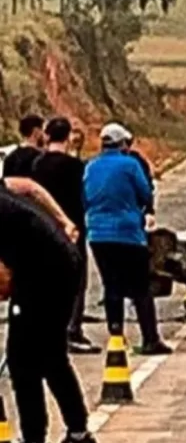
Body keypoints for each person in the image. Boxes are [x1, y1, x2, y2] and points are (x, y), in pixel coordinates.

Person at [0, 175, 97, 443]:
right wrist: (64, 220)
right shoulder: (4, 191)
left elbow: (3, 280)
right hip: (64, 263)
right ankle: (78, 432)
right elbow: (31, 186)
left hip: (43, 275)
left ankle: (34, 436)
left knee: (21, 360)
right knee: (51, 355)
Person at [83, 123, 172, 355]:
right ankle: (150, 338)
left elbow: (85, 197)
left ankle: (116, 336)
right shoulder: (130, 165)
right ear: (123, 144)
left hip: (98, 234)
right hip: (128, 233)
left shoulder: (91, 167)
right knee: (141, 287)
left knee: (111, 285)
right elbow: (145, 193)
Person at [31, 117, 100, 354]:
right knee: (76, 281)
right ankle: (72, 330)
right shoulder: (76, 167)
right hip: (73, 227)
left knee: (46, 280)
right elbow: (86, 195)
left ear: (47, 135)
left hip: (44, 227)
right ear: (68, 136)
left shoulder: (37, 164)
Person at [3, 114, 45, 178]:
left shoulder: (10, 158)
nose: (44, 135)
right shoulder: (41, 158)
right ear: (36, 131)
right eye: (42, 130)